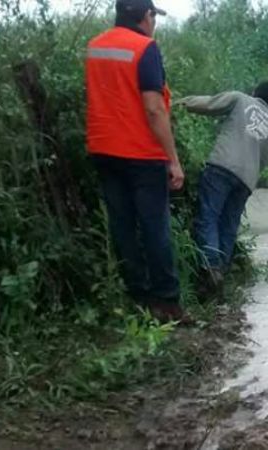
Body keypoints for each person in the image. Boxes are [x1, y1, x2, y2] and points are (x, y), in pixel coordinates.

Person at [85, 0, 189, 322]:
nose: (154, 22)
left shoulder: (95, 47)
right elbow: (154, 107)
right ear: (145, 16)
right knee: (154, 227)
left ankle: (139, 300)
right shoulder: (145, 48)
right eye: (154, 15)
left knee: (123, 227)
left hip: (104, 150)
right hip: (141, 154)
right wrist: (173, 160)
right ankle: (167, 303)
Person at [177, 82, 268, 295]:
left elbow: (208, 104)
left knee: (208, 217)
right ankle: (219, 277)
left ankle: (210, 268)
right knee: (228, 226)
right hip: (245, 182)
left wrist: (178, 103)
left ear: (254, 93)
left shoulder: (239, 99)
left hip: (221, 167)